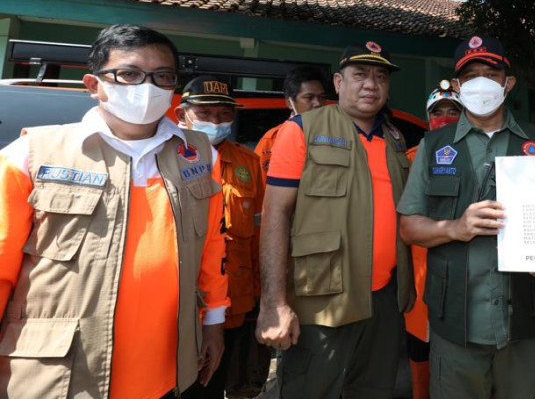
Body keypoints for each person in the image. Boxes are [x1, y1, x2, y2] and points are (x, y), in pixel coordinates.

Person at [0, 24, 228, 398]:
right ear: (93, 85)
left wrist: (214, 322)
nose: (147, 87)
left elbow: (212, 247)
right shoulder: (30, 155)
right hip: (59, 371)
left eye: (163, 76)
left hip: (166, 366)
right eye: (130, 74)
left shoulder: (202, 156)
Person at [398, 34, 535, 399]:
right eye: (470, 76)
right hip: (455, 324)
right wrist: (455, 228)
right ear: (457, 86)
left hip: (525, 321)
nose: (481, 82)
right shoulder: (433, 146)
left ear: (508, 83)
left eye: (491, 72)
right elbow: (409, 227)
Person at [255, 40, 414, 398]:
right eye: (359, 74)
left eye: (380, 77)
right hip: (322, 299)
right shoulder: (302, 130)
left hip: (384, 299)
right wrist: (274, 303)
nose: (371, 84)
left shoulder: (394, 138)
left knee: (374, 390)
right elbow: (275, 214)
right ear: (338, 83)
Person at [176, 76, 268, 398]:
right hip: (177, 302)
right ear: (182, 115)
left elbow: (258, 235)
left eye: (224, 114)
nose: (216, 121)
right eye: (206, 113)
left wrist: (261, 297)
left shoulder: (249, 163)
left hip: (232, 304)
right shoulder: (164, 159)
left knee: (212, 386)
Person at [404, 80, 463, 399]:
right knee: (420, 351)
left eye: (452, 111)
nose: (444, 117)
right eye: (437, 111)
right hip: (420, 274)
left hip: (466, 275)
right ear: (427, 118)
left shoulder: (482, 156)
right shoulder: (410, 158)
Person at [255, 65, 328, 172]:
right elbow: (259, 185)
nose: (318, 103)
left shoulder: (335, 136)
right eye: (309, 97)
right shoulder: (272, 140)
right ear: (290, 102)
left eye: (322, 97)